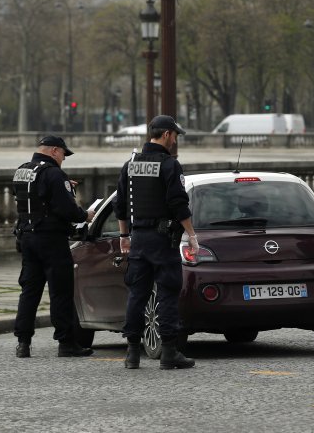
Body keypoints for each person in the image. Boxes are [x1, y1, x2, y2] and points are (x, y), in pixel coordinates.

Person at [115, 115, 199, 370]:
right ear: (166, 135)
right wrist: (192, 236)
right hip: (163, 240)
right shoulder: (169, 165)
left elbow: (120, 205)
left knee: (137, 295)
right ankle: (169, 353)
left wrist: (124, 236)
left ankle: (132, 353)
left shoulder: (130, 164)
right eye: (174, 136)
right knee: (167, 294)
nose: (175, 141)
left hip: (138, 238)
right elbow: (178, 204)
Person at [12, 136, 95, 358]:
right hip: (51, 239)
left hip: (27, 238)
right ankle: (66, 342)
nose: (63, 160)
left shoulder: (22, 170)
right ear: (54, 151)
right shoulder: (54, 174)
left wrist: (63, 185)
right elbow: (66, 209)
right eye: (63, 155)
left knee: (29, 291)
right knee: (61, 291)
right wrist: (85, 215)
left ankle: (23, 342)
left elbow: (33, 197)